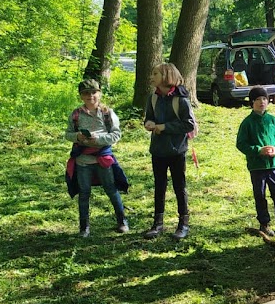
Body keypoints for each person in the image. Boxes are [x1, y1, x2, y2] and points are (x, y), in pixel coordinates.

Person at [64, 79, 129, 238]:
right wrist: (78, 137)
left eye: (94, 92)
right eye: (86, 93)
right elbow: (68, 134)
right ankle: (84, 227)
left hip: (103, 160)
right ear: (81, 96)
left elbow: (116, 135)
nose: (90, 96)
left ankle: (122, 221)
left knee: (111, 189)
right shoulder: (76, 115)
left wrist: (98, 139)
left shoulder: (108, 113)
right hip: (83, 161)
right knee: (84, 193)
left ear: (99, 94)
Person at [142, 62, 197, 240]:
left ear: (166, 76)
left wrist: (164, 127)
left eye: (155, 74)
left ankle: (183, 223)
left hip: (176, 151)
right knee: (159, 186)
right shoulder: (153, 98)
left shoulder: (181, 100)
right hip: (157, 150)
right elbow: (148, 118)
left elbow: (188, 124)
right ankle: (157, 224)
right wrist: (149, 124)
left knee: (179, 187)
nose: (152, 77)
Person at [236, 86, 275, 237]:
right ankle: (264, 223)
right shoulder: (247, 123)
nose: (262, 102)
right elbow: (241, 144)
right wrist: (258, 150)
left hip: (272, 165)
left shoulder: (272, 120)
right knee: (260, 195)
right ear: (252, 102)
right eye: (258, 99)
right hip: (257, 166)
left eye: (264, 99)